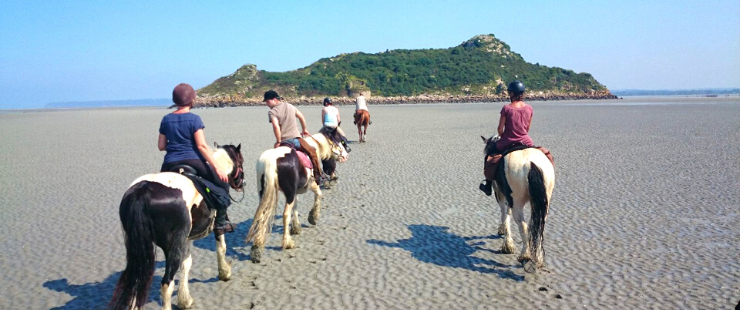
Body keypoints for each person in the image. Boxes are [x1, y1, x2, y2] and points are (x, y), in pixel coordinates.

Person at [159, 83, 235, 233]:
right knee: (223, 185)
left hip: (169, 163)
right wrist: (217, 168)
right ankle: (221, 223)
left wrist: (175, 147)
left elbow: (161, 146)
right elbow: (201, 146)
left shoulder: (166, 119)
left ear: (175, 101)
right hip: (192, 160)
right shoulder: (194, 119)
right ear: (192, 100)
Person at [479, 80, 534, 196]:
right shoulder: (529, 108)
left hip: (508, 141)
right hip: (526, 141)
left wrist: (504, 136)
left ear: (513, 94)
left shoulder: (506, 108)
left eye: (510, 93)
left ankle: (488, 186)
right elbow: (527, 128)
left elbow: (500, 129)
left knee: (490, 156)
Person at [263, 90, 323, 184]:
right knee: (312, 153)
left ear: (275, 99)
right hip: (297, 140)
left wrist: (278, 141)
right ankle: (318, 176)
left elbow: (276, 126)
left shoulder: (272, 112)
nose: (266, 104)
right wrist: (304, 129)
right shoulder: (290, 106)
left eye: (267, 101)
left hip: (284, 141)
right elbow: (301, 117)